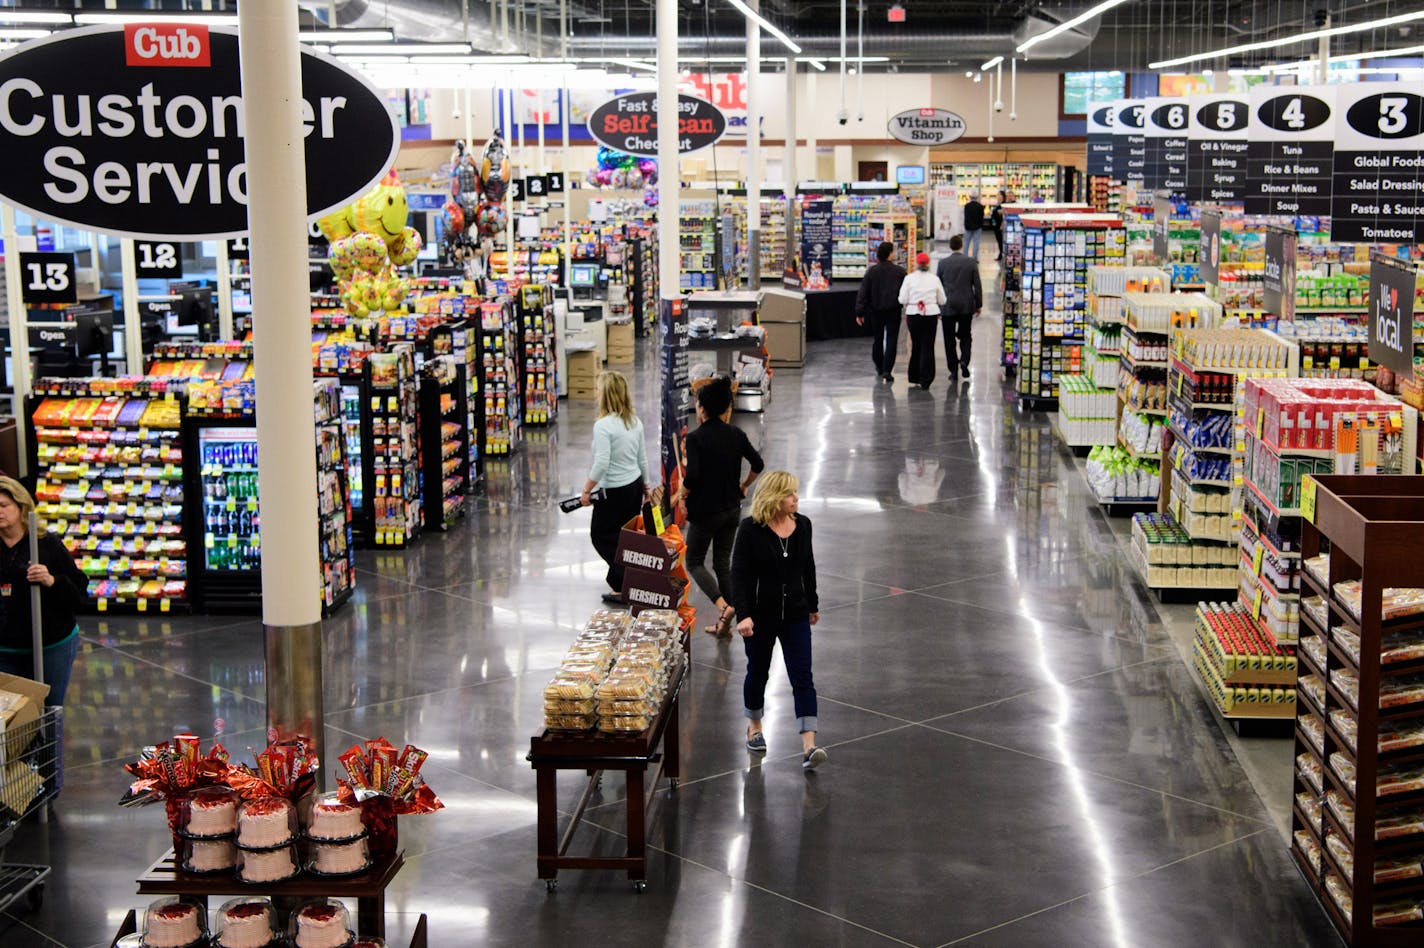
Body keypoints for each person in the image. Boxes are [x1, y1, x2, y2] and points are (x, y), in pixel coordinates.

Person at [731, 471, 826, 771]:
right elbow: (739, 575)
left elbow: (807, 566)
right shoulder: (750, 530)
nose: (796, 499)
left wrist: (812, 603)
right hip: (760, 616)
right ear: (774, 497)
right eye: (790, 494)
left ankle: (809, 746)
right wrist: (743, 614)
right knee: (758, 672)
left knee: (803, 677)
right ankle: (754, 726)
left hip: (796, 613)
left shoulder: (803, 525)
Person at [678, 377, 764, 636]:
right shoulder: (736, 434)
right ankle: (731, 620)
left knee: (693, 561)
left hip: (706, 512)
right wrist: (745, 486)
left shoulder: (695, 439)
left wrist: (682, 495)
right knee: (721, 563)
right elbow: (757, 463)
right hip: (731, 509)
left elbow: (692, 477)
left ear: (702, 408)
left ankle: (722, 605)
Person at [0, 477, 86, 706]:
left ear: (21, 507)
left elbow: (79, 592)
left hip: (51, 645)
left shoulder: (46, 545)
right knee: (12, 719)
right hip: (5, 649)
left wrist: (51, 580)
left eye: (3, 506)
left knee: (49, 710)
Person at [581, 370, 653, 604]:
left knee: (600, 536)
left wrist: (586, 490)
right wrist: (646, 486)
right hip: (632, 487)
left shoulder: (603, 426)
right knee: (625, 537)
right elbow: (642, 458)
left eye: (598, 389)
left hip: (612, 491)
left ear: (605, 394)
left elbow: (602, 461)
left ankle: (626, 581)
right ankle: (619, 581)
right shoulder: (634, 421)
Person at [854, 240, 907, 383]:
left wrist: (859, 312)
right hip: (894, 311)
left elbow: (863, 292)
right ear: (890, 254)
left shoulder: (872, 271)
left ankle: (879, 365)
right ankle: (887, 370)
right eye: (894, 251)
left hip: (876, 310)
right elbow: (906, 292)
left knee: (877, 339)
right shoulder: (900, 272)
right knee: (891, 340)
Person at [935, 234, 983, 384]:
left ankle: (953, 370)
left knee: (949, 339)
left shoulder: (942, 264)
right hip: (966, 305)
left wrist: (938, 306)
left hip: (947, 305)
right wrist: (978, 304)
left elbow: (938, 286)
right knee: (965, 335)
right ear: (962, 246)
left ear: (950, 246)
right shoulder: (970, 262)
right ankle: (964, 360)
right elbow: (977, 285)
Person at [897, 251, 947, 391]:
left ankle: (914, 376)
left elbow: (902, 299)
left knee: (916, 344)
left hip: (913, 315)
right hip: (930, 315)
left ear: (916, 264)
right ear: (928, 264)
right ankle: (927, 379)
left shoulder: (909, 278)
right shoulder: (934, 279)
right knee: (928, 345)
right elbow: (943, 300)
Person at [962, 193, 985, 259]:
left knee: (966, 242)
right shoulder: (980, 206)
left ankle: (965, 257)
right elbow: (982, 216)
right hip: (977, 227)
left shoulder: (967, 206)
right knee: (976, 243)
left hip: (968, 227)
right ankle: (975, 257)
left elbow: (965, 216)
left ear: (970, 197)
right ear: (977, 197)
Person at [989, 193, 1005, 261]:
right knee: (999, 241)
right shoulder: (998, 204)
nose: (998, 196)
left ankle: (1001, 255)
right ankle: (1000, 254)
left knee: (1001, 241)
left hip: (999, 226)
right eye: (997, 195)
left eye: (999, 195)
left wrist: (1002, 224)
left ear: (1003, 196)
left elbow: (1004, 215)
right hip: (995, 225)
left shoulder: (1003, 204)